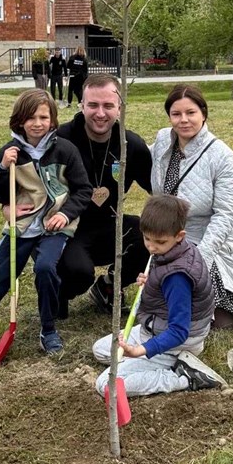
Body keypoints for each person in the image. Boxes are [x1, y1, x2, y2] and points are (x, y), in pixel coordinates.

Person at [0, 90, 92, 357]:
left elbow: (83, 190)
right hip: (22, 225)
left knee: (45, 268)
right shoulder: (9, 153)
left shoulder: (65, 150)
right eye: (30, 118)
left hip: (54, 226)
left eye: (43, 117)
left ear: (52, 120)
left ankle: (48, 329)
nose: (37, 123)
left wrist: (65, 215)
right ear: (19, 120)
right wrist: (2, 169)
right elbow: (0, 194)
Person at [93, 195, 226, 397]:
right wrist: (151, 284)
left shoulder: (177, 277)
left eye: (160, 242)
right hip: (155, 327)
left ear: (179, 236)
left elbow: (179, 331)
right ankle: (146, 364)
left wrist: (141, 350)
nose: (151, 247)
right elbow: (165, 290)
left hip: (176, 341)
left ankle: (184, 377)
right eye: (147, 239)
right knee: (101, 350)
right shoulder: (174, 251)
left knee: (106, 385)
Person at [151, 84, 233, 330]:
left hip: (206, 239)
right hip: (167, 238)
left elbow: (225, 215)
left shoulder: (222, 155)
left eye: (190, 112)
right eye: (176, 114)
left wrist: (200, 257)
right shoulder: (163, 141)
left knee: (218, 318)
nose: (183, 120)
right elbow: (134, 156)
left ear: (203, 113)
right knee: (166, 307)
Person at [57, 75, 153, 316]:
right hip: (69, 228)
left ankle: (108, 287)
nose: (100, 113)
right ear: (81, 105)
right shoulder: (61, 139)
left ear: (119, 108)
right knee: (78, 273)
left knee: (151, 235)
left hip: (111, 225)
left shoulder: (131, 145)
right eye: (93, 105)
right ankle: (57, 290)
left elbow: (158, 189)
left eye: (108, 105)